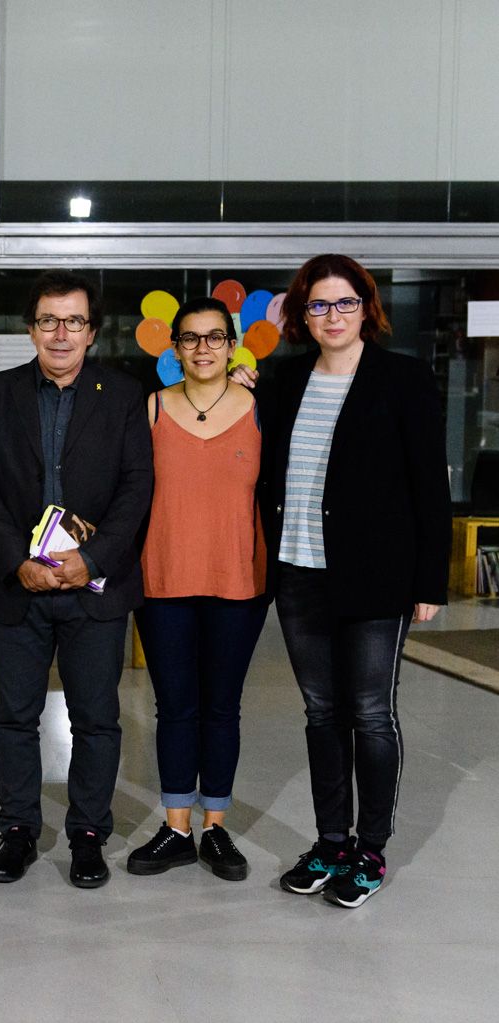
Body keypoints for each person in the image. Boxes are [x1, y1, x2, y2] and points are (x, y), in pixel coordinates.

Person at [257, 254, 449, 908]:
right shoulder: (282, 381)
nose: (330, 316)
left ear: (366, 307)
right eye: (317, 304)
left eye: (343, 303)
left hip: (376, 576)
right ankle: (330, 840)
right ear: (300, 314)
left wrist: (428, 579)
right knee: (320, 712)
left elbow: (429, 485)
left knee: (369, 711)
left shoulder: (402, 378)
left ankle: (369, 847)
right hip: (297, 571)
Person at [0, 270, 152, 890]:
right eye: (48, 320)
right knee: (13, 716)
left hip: (93, 589)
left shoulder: (124, 396)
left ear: (92, 332)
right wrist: (18, 557)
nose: (61, 333)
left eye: (74, 321)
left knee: (95, 717)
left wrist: (91, 562)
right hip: (17, 587)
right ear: (31, 328)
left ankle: (89, 834)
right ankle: (18, 829)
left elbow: (136, 488)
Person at [125, 297, 267, 882]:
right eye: (190, 338)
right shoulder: (151, 408)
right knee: (176, 707)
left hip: (239, 579)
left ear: (232, 345)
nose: (203, 348)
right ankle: (177, 827)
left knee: (222, 707)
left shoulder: (262, 406)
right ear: (174, 348)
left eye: (214, 337)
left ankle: (217, 828)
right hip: (164, 579)